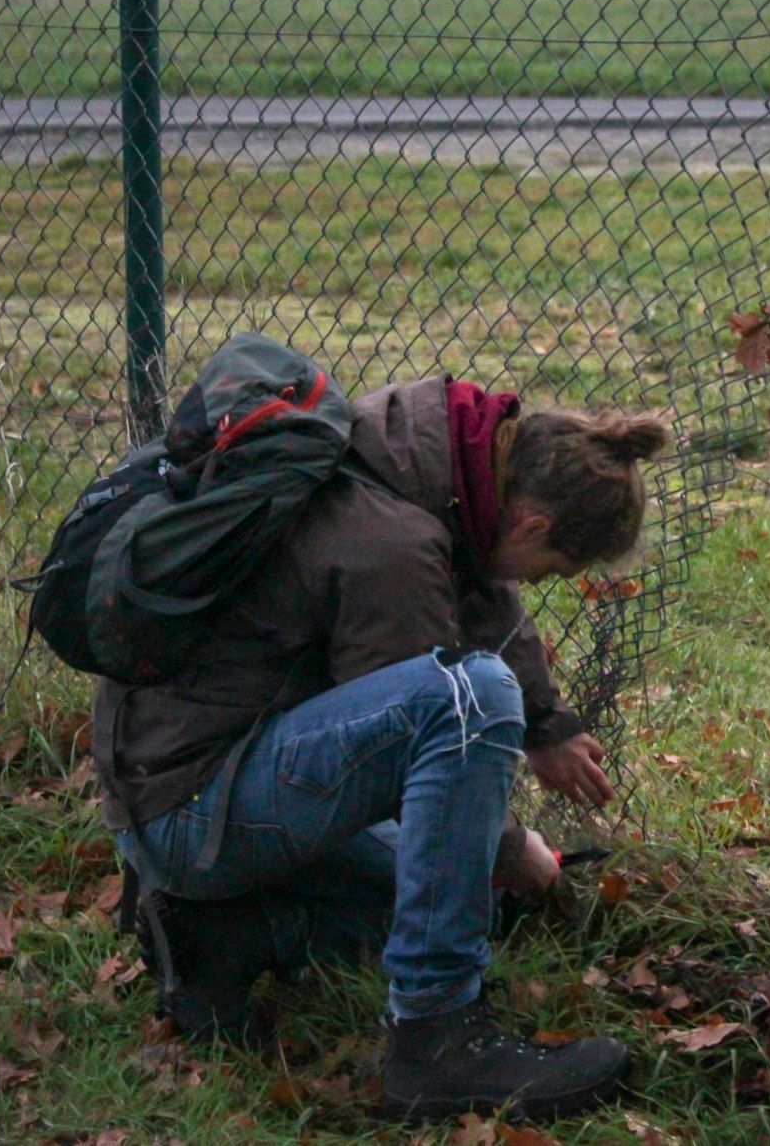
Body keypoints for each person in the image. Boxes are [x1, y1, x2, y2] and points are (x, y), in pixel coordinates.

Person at [90, 370, 668, 1122]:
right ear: (531, 527)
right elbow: (425, 732)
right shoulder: (388, 542)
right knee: (472, 698)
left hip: (186, 784)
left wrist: (548, 725)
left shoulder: (417, 458)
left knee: (461, 900)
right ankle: (436, 1035)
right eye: (557, 567)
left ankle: (220, 933)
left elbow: (483, 587)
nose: (544, 580)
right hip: (194, 807)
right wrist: (513, 846)